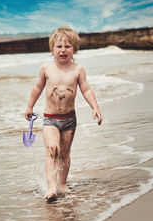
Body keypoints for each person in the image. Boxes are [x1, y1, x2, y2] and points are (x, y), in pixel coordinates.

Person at [25, 26, 102, 202]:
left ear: (74, 49)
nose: (63, 50)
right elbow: (37, 87)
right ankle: (51, 187)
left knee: (65, 154)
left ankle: (62, 184)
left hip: (69, 120)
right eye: (59, 47)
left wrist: (95, 107)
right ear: (52, 50)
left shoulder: (78, 69)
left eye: (67, 47)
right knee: (52, 149)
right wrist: (30, 107)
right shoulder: (46, 68)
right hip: (50, 119)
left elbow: (86, 89)